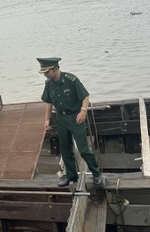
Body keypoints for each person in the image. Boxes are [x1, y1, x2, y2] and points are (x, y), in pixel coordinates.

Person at [37, 58, 105, 188]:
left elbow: (85, 96)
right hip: (61, 119)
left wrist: (83, 111)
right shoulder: (49, 84)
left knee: (83, 149)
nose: (45, 75)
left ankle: (97, 174)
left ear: (55, 69)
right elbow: (48, 103)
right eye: (44, 72)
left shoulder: (71, 80)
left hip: (75, 117)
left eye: (47, 72)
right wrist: (47, 119)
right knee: (65, 149)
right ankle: (71, 176)